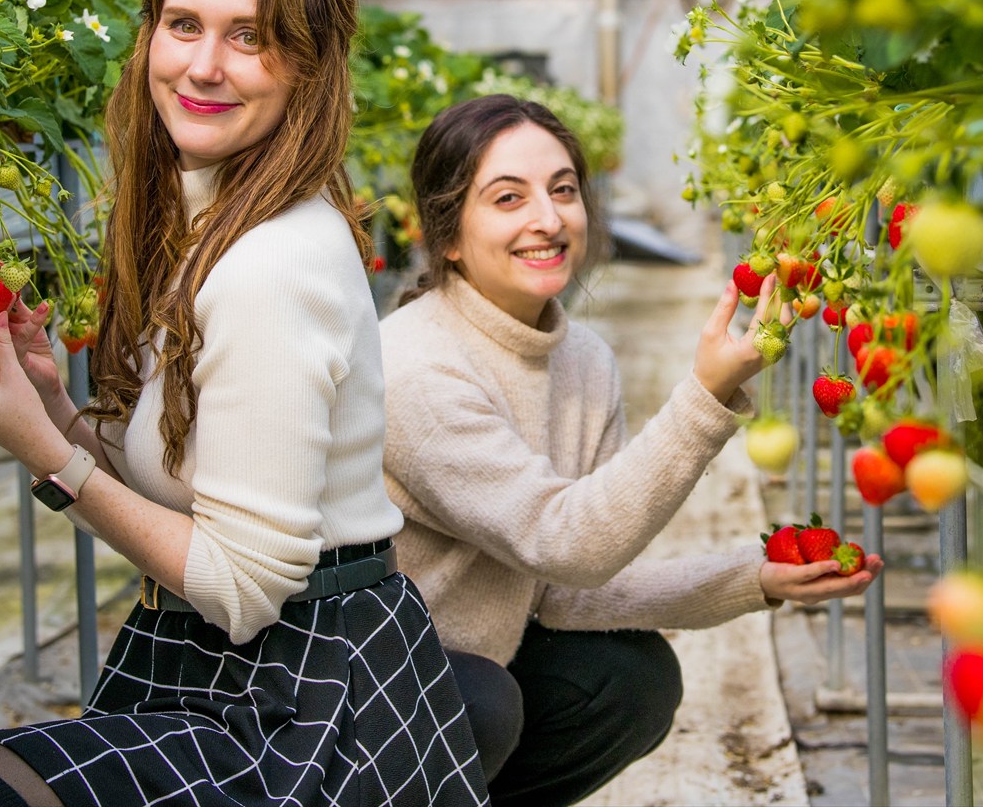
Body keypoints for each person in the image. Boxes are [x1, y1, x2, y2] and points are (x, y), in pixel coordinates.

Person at [0, 0, 487, 807]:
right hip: (241, 660)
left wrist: (41, 452)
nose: (203, 65)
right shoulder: (210, 227)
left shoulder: (270, 263)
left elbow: (242, 588)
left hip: (298, 698)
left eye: (250, 37)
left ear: (309, 66)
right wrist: (53, 410)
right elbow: (190, 482)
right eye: (184, 25)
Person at [378, 94, 882, 807]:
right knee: (481, 703)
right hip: (353, 688)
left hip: (464, 671)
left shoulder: (583, 360)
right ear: (447, 235)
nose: (548, 219)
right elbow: (567, 542)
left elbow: (569, 591)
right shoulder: (414, 367)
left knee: (631, 680)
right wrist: (705, 396)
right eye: (508, 198)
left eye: (562, 190)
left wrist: (755, 578)